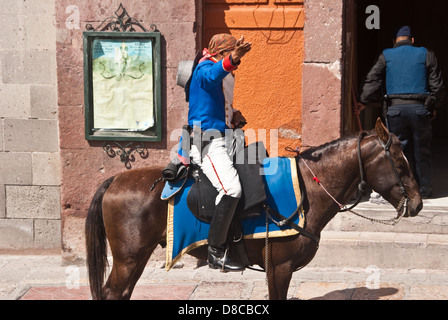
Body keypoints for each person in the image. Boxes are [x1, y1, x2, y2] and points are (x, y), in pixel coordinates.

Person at [183, 33, 252, 271]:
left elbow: (216, 105)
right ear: (221, 54)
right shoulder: (204, 68)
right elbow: (213, 76)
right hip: (208, 142)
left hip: (224, 137)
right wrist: (234, 58)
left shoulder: (217, 73)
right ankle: (215, 252)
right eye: (229, 54)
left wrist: (233, 116)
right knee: (232, 188)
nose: (233, 64)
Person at [359, 26, 445, 199]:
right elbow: (438, 86)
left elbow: (372, 79)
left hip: (395, 111)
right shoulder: (427, 54)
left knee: (398, 151)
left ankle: (402, 190)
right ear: (412, 40)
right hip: (420, 110)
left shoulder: (386, 55)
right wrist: (433, 106)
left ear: (394, 41)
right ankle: (425, 190)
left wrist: (364, 101)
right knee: (422, 151)